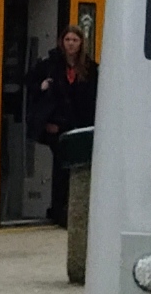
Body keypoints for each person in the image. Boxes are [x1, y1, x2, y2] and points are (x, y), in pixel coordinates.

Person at [29, 22, 100, 227]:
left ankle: (72, 211)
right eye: (67, 39)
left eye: (75, 40)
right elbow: (31, 85)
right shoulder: (50, 64)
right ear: (62, 42)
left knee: (76, 170)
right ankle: (59, 211)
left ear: (81, 43)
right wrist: (41, 87)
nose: (71, 44)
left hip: (80, 125)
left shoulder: (90, 68)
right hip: (57, 126)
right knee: (61, 168)